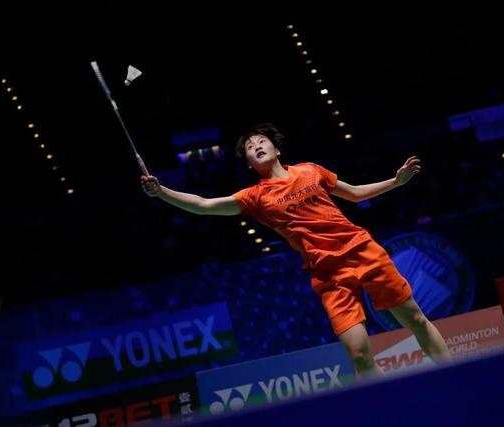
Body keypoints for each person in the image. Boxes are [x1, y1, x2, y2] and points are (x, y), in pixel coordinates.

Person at [141, 123, 451, 379]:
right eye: (250, 147)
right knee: (358, 353)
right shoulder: (255, 197)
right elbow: (204, 205)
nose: (256, 146)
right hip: (328, 273)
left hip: (362, 250)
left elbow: (355, 194)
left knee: (415, 319)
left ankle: (452, 376)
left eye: (261, 141)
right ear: (249, 163)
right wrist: (161, 192)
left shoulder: (310, 170)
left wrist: (397, 181)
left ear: (276, 149)